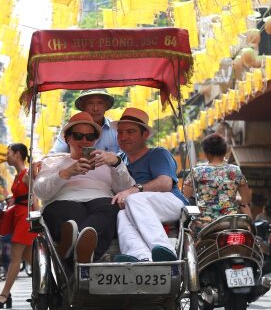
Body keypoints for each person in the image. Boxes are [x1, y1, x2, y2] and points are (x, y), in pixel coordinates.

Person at [33, 112, 134, 265]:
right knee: (69, 215)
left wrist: (116, 163)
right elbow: (40, 192)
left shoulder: (107, 159)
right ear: (68, 138)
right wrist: (66, 173)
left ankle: (73, 248)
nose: (84, 141)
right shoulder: (53, 161)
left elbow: (126, 189)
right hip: (63, 200)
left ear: (95, 139)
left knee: (109, 209)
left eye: (90, 137)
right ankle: (81, 247)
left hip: (101, 200)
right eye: (78, 136)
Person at [111, 108, 189, 262]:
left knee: (133, 199)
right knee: (122, 214)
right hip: (139, 208)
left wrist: (134, 190)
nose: (123, 137)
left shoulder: (158, 153)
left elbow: (166, 183)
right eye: (120, 132)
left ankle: (165, 251)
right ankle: (141, 257)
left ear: (145, 134)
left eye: (130, 131)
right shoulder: (119, 160)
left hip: (172, 202)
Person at [0, 143, 40, 309]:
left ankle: (4, 295)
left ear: (18, 154)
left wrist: (37, 220)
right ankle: (49, 286)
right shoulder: (18, 175)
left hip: (25, 219)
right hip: (18, 217)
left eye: (8, 153)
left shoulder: (26, 175)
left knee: (15, 257)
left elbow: (35, 198)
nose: (7, 156)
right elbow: (20, 197)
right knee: (31, 260)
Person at [183, 133, 252, 223]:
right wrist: (236, 199)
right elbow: (246, 199)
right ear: (224, 152)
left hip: (204, 224)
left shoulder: (197, 172)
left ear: (207, 153)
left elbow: (184, 198)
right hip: (230, 223)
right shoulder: (235, 170)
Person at [50, 89, 119, 153]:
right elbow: (56, 154)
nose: (95, 108)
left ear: (106, 106)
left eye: (100, 103)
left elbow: (124, 157)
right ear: (83, 106)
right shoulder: (72, 128)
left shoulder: (115, 130)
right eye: (90, 103)